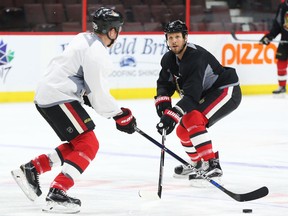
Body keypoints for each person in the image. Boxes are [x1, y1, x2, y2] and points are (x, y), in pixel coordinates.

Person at [11, 7, 136, 213]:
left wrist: (88, 97)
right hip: (59, 96)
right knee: (89, 144)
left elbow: (81, 80)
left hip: (52, 94)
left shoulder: (84, 38)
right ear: (112, 31)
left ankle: (32, 169)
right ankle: (57, 192)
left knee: (79, 143)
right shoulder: (97, 52)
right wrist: (120, 115)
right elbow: (99, 94)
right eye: (118, 29)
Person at [154, 20, 242, 183]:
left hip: (226, 90)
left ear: (185, 38)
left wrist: (173, 114)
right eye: (170, 37)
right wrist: (163, 105)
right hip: (206, 94)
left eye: (177, 37)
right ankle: (197, 163)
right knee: (182, 131)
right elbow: (164, 84)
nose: (173, 41)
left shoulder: (195, 58)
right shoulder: (168, 59)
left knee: (191, 118)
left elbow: (192, 96)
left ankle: (212, 165)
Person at [259, 0, 288, 95]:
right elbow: (278, 24)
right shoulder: (283, 6)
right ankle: (282, 86)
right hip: (285, 40)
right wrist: (269, 36)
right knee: (281, 63)